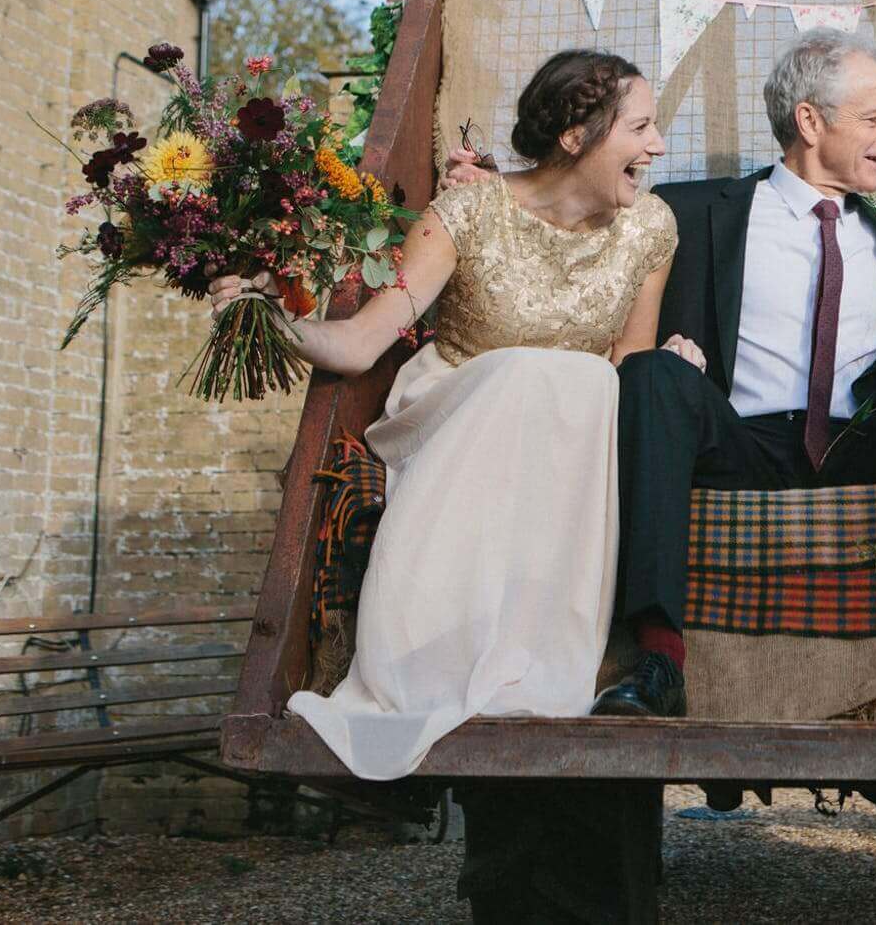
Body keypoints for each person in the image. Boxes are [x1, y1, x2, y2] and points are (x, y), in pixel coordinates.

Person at [450, 30, 876, 723]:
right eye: (874, 118)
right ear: (810, 121)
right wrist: (494, 193)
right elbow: (575, 220)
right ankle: (657, 661)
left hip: (868, 439)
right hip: (736, 436)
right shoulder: (689, 214)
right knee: (655, 375)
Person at [209, 50, 699, 780]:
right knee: (544, 372)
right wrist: (269, 317)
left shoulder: (650, 229)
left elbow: (629, 363)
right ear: (575, 137)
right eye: (641, 127)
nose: (657, 145)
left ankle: (534, 660)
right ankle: (428, 657)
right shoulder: (468, 211)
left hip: (568, 435)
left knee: (584, 381)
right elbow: (362, 340)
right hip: (457, 407)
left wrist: (673, 372)